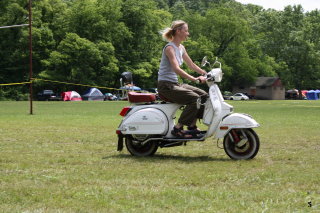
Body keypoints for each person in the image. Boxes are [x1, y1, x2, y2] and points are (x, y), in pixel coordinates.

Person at [157, 20, 208, 138]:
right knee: (195, 99)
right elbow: (176, 69)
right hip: (166, 86)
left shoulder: (181, 48)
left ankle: (192, 126)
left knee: (204, 95)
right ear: (178, 31)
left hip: (175, 84)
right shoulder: (170, 48)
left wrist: (205, 73)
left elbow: (191, 65)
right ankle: (178, 128)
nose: (188, 33)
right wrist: (194, 79)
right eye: (186, 30)